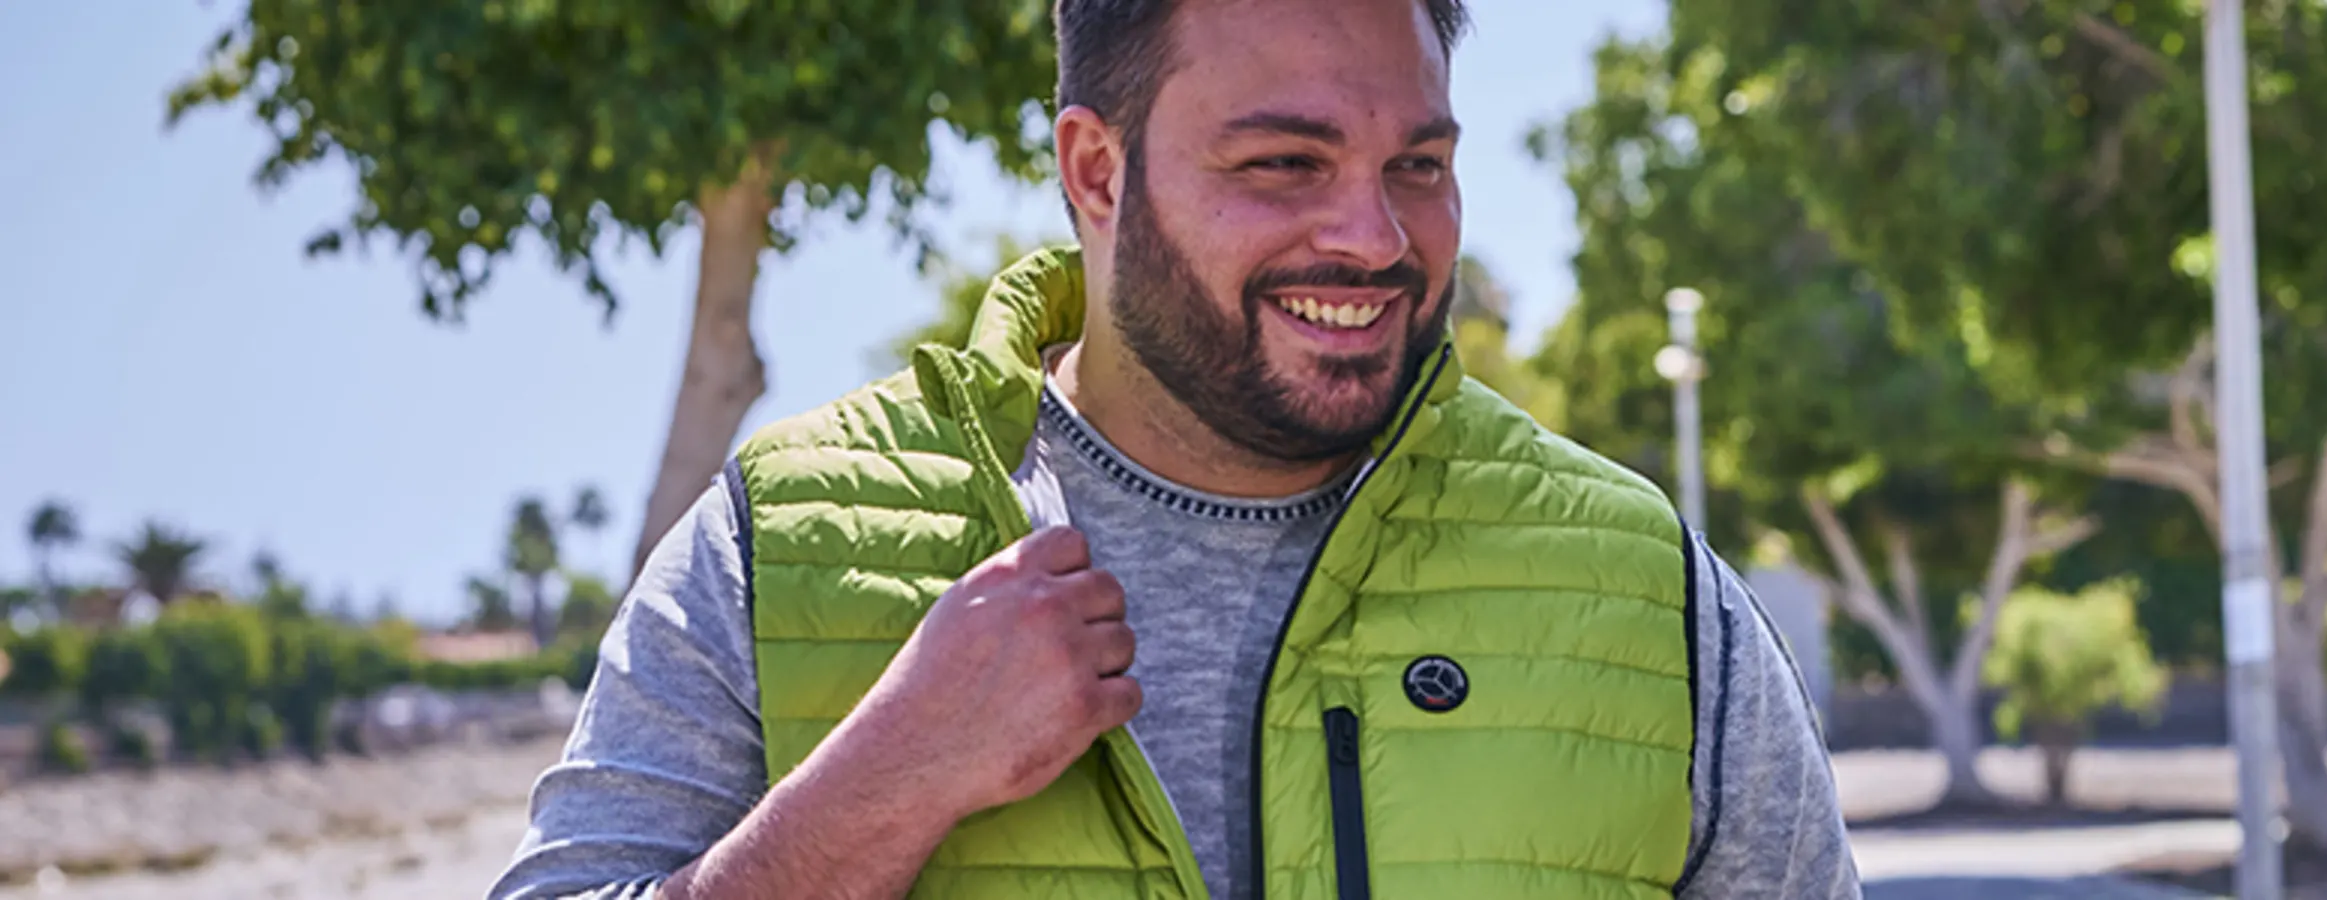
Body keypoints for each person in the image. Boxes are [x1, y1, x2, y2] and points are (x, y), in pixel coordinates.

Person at [488, 1, 1860, 897]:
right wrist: (887, 782)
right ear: (1096, 171)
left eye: (1419, 166)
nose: (1375, 240)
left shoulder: (1638, 585)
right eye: (1286, 165)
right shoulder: (783, 543)